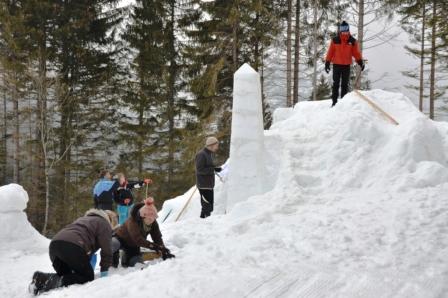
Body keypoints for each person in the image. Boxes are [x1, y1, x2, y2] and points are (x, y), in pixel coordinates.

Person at [29, 209, 118, 295]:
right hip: (72, 247)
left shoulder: (83, 219)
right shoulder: (104, 223)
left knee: (70, 276)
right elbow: (107, 250)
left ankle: (41, 280)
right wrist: (104, 271)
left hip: (54, 246)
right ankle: (43, 279)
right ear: (111, 221)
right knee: (87, 277)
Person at [112, 198, 175, 267]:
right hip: (120, 239)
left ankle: (125, 257)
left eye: (153, 218)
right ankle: (111, 262)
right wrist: (155, 247)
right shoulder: (132, 221)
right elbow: (138, 239)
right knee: (113, 243)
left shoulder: (153, 222)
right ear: (143, 217)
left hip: (133, 246)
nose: (151, 220)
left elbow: (157, 237)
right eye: (149, 218)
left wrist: (163, 250)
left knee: (137, 263)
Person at [325, 21, 365, 107]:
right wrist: (327, 62)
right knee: (336, 84)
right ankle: (334, 102)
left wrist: (360, 62)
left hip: (346, 66)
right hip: (336, 65)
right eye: (342, 30)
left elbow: (356, 53)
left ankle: (343, 103)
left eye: (346, 30)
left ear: (348, 30)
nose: (344, 32)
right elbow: (330, 52)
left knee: (344, 84)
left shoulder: (352, 41)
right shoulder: (335, 40)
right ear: (340, 30)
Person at [195, 136, 221, 218]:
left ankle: (203, 223)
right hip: (203, 185)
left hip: (208, 185)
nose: (217, 147)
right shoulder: (201, 154)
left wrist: (215, 169)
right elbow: (199, 169)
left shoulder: (208, 154)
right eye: (216, 145)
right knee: (207, 207)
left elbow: (208, 167)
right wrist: (213, 169)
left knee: (208, 207)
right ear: (212, 145)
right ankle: (204, 224)